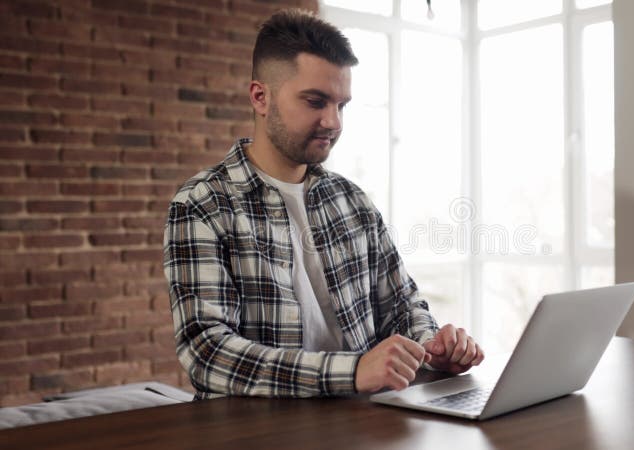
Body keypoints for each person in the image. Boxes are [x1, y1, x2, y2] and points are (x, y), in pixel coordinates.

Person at [163, 9, 483, 399]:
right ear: (260, 97)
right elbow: (208, 352)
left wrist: (434, 348)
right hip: (256, 431)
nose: (333, 122)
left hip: (365, 423)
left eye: (341, 105)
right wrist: (351, 372)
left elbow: (401, 306)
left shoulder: (352, 201)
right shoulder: (203, 204)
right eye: (316, 101)